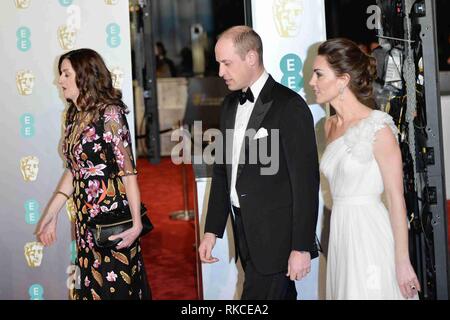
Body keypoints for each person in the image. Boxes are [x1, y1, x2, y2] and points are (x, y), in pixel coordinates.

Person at [198, 26, 320, 300]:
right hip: (245, 233)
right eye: (219, 63)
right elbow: (223, 173)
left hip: (277, 240)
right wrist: (211, 231)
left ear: (251, 57)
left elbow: (306, 184)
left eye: (226, 63)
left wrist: (301, 246)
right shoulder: (229, 105)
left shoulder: (290, 106)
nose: (220, 72)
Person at [35, 48, 151, 300]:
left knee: (116, 288)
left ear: (84, 76)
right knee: (90, 289)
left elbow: (128, 173)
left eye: (66, 74)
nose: (60, 80)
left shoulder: (110, 113)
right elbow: (75, 169)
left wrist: (137, 225)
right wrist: (51, 214)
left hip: (112, 223)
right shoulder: (72, 115)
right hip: (85, 224)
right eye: (60, 74)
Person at [309, 38, 420, 300]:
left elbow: (395, 198)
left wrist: (402, 262)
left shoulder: (378, 127)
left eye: (319, 74)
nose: (312, 82)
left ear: (343, 79)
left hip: (370, 233)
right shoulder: (328, 126)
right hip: (339, 232)